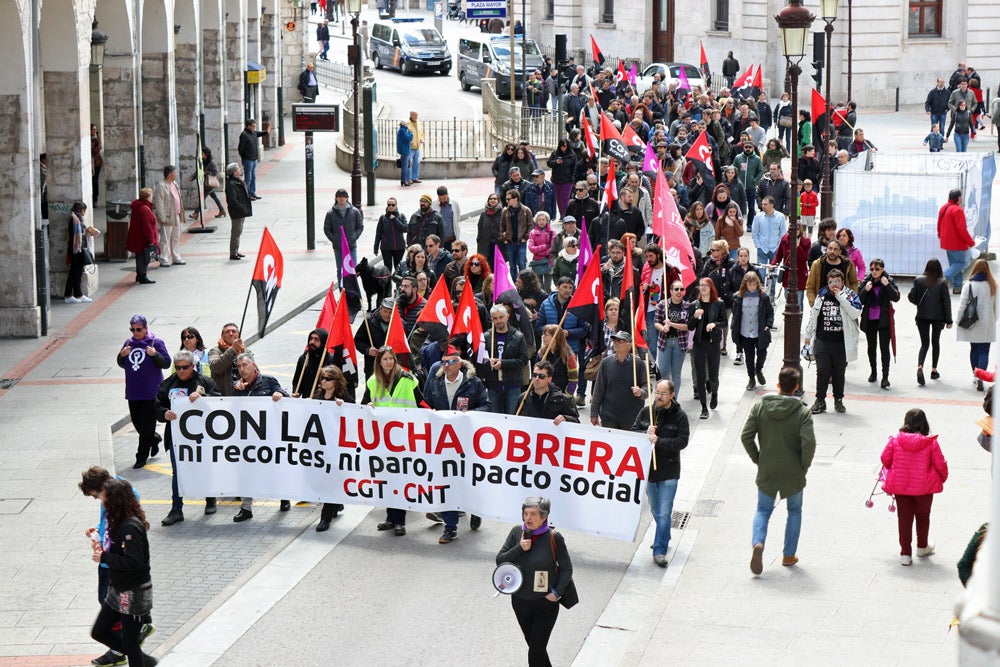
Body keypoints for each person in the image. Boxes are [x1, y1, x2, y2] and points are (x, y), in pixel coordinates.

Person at [741, 366, 816, 575]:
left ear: (778, 385)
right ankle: (788, 555)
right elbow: (809, 443)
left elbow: (746, 436)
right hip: (793, 471)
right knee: (794, 511)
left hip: (767, 468)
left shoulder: (760, 408)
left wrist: (758, 458)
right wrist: (803, 465)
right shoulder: (802, 412)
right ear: (797, 388)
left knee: (763, 510)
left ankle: (758, 542)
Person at [80, 468, 154, 667]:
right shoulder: (116, 523)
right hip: (118, 588)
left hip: (132, 592)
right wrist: (100, 541)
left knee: (130, 641)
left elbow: (135, 562)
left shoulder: (130, 527)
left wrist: (105, 556)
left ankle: (141, 656)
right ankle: (144, 659)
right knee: (100, 632)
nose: (101, 501)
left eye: (104, 498)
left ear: (115, 501)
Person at [496, 496, 574, 667]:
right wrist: (519, 548)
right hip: (520, 602)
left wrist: (556, 593)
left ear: (544, 517)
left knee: (536, 652)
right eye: (525, 513)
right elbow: (500, 561)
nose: (528, 518)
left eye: (533, 514)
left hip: (545, 604)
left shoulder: (554, 537)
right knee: (536, 648)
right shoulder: (517, 533)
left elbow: (567, 568)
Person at [423, 346, 489, 543]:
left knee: (467, 479)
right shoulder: (435, 382)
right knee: (446, 482)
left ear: (459, 363)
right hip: (443, 442)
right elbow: (425, 404)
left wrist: (469, 415)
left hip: (467, 442)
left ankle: (474, 509)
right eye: (444, 362)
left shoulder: (473, 382)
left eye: (451, 362)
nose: (447, 366)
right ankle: (450, 527)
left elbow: (486, 405)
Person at [364, 347, 424, 535]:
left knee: (400, 480)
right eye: (385, 359)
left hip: (404, 438)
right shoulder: (373, 382)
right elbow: (363, 406)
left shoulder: (407, 379)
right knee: (387, 480)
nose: (389, 362)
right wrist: (368, 406)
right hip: (383, 440)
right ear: (379, 362)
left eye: (391, 358)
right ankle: (390, 518)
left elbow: (421, 402)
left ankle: (400, 521)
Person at [156, 350, 221, 526]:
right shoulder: (168, 384)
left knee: (205, 468)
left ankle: (210, 499)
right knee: (178, 473)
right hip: (177, 439)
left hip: (203, 437)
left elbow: (219, 400)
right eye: (178, 368)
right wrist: (163, 414)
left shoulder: (204, 382)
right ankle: (176, 509)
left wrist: (203, 397)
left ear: (193, 366)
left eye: (185, 367)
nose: (181, 371)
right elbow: (157, 406)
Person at [630, 379, 689, 567]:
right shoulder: (646, 412)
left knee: (664, 513)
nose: (659, 397)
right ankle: (665, 535)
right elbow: (633, 432)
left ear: (672, 395)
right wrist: (644, 434)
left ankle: (659, 550)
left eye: (663, 393)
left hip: (669, 471)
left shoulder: (680, 416)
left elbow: (682, 442)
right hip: (650, 472)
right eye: (657, 392)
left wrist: (659, 441)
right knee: (656, 510)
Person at [880, 409, 949, 566]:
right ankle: (922, 546)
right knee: (923, 516)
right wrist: (942, 478)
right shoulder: (930, 442)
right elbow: (941, 464)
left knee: (904, 519)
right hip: (924, 488)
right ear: (924, 424)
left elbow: (885, 459)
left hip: (901, 487)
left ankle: (905, 554)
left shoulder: (895, 440)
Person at [231, 351, 289, 522]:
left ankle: (284, 498)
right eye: (239, 366)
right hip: (248, 437)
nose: (242, 369)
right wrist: (238, 391)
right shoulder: (237, 388)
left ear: (253, 365)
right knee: (248, 472)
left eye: (245, 365)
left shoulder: (269, 381)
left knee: (274, 468)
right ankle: (246, 507)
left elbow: (285, 398)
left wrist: (280, 396)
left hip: (270, 435)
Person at [803, 269, 861, 414]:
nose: (834, 284)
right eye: (831, 281)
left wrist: (840, 296)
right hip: (822, 341)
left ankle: (838, 399)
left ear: (843, 282)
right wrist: (808, 335)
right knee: (822, 371)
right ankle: (820, 400)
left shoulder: (849, 295)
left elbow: (855, 312)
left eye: (837, 281)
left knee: (838, 373)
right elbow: (813, 315)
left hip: (841, 342)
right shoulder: (821, 294)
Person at [116, 315, 170, 469]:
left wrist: (155, 354)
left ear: (146, 328)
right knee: (138, 424)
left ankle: (141, 456)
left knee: (146, 426)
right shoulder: (128, 343)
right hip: (133, 391)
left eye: (138, 329)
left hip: (151, 392)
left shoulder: (156, 343)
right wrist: (122, 355)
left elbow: (166, 363)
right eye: (132, 329)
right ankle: (154, 438)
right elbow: (121, 363)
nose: (135, 332)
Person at [312, 365, 352, 531]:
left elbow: (355, 413)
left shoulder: (342, 398)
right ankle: (336, 503)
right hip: (321, 447)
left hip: (337, 447)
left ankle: (325, 517)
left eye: (327, 378)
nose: (323, 381)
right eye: (322, 378)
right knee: (324, 480)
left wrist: (344, 407)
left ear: (336, 381)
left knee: (330, 480)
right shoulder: (317, 397)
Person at [908, 258, 952, 386]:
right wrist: (949, 320)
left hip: (922, 316)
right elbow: (946, 302)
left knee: (924, 344)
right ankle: (934, 370)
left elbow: (912, 298)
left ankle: (920, 366)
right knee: (935, 342)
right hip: (938, 317)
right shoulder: (942, 282)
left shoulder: (918, 280)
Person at [591, 331, 648, 429]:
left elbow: (647, 387)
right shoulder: (606, 363)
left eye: (620, 341)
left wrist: (640, 392)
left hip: (632, 416)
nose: (616, 343)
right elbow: (598, 390)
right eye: (614, 340)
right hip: (609, 415)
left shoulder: (638, 364)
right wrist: (594, 412)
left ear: (629, 344)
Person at [479, 304, 529, 415]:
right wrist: (488, 362)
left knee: (512, 416)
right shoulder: (486, 336)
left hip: (512, 384)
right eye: (495, 318)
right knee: (494, 417)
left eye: (501, 317)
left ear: (507, 317)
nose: (499, 321)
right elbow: (480, 359)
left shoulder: (518, 336)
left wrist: (503, 364)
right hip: (492, 384)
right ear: (491, 319)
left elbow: (524, 360)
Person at [957, 259, 998, 391]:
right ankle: (981, 377)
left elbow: (962, 305)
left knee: (974, 349)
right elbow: (997, 309)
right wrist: (994, 319)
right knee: (984, 351)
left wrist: (958, 320)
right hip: (988, 323)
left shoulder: (968, 285)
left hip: (972, 322)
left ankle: (975, 376)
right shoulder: (993, 285)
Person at [859, 259, 900, 389]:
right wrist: (866, 290)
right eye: (872, 269)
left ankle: (885, 377)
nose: (874, 272)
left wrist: (887, 285)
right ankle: (874, 372)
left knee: (884, 348)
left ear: (882, 269)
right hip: (870, 319)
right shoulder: (867, 281)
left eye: (877, 269)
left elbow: (896, 297)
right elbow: (859, 300)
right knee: (871, 348)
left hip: (883, 320)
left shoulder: (888, 279)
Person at [731, 272, 774, 391]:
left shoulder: (763, 297)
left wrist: (768, 325)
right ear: (745, 284)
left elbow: (770, 312)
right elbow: (736, 315)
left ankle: (758, 369)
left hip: (759, 332)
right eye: (749, 284)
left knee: (762, 354)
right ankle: (751, 379)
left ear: (757, 284)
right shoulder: (738, 298)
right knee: (749, 358)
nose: (751, 287)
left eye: (754, 284)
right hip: (745, 333)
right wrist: (734, 329)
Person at [654, 279, 690, 395]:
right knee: (664, 372)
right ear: (671, 291)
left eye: (681, 289)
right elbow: (656, 322)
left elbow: (687, 326)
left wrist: (671, 324)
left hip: (680, 343)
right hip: (665, 342)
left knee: (676, 374)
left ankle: (674, 401)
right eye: (676, 289)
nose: (679, 292)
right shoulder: (662, 304)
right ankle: (664, 398)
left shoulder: (687, 306)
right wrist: (663, 328)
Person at [516, 360, 580, 424]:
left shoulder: (561, 399)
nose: (537, 379)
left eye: (541, 376)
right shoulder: (523, 398)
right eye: (534, 375)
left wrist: (565, 418)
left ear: (549, 379)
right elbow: (515, 420)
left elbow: (576, 421)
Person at [937, 188, 976, 294]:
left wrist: (941, 236)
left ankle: (957, 287)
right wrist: (970, 242)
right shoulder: (957, 210)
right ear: (959, 198)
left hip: (946, 242)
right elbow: (962, 229)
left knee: (955, 263)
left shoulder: (944, 208)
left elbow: (939, 225)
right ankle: (943, 277)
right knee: (962, 263)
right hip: (956, 243)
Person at [324, 188, 364, 286]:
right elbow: (327, 229)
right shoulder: (330, 213)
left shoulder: (354, 211)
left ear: (347, 198)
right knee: (340, 270)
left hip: (351, 246)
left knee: (352, 269)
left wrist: (354, 236)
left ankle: (353, 292)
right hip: (338, 247)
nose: (342, 199)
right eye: (339, 197)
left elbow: (360, 226)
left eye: (344, 197)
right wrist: (335, 239)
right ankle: (342, 291)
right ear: (336, 198)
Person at [805, 239, 858, 307]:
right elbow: (810, 286)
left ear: (840, 252)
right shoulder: (817, 264)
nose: (832, 251)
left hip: (843, 304)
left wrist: (852, 301)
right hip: (822, 305)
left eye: (835, 249)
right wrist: (813, 304)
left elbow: (854, 283)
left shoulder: (848, 264)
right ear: (826, 250)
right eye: (830, 248)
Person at [153, 165, 185, 267]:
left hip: (176, 214)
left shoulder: (174, 183)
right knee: (165, 238)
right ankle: (164, 258)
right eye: (175, 172)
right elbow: (159, 203)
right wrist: (162, 217)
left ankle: (176, 257)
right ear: (170, 174)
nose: (176, 174)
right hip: (167, 216)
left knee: (176, 237)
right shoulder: (161, 186)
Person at [752, 196, 786, 290]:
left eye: (765, 204)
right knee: (760, 274)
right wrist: (758, 246)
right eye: (762, 204)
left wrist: (779, 248)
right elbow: (755, 232)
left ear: (772, 205)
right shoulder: (758, 217)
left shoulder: (780, 217)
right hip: (762, 249)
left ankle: (771, 295)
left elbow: (783, 234)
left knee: (773, 275)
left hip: (775, 250)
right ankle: (761, 294)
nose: (763, 206)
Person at [291, 328, 335, 398]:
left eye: (316, 340)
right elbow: (296, 381)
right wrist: (296, 392)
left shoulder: (331, 360)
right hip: (307, 402)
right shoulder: (304, 359)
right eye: (311, 339)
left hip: (324, 402)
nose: (312, 342)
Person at [126, 190, 158, 285]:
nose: (152, 197)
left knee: (140, 257)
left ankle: (140, 275)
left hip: (138, 236)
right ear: (147, 196)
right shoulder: (144, 209)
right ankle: (142, 275)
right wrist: (151, 240)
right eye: (151, 195)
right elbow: (147, 226)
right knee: (144, 258)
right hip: (143, 238)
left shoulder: (139, 207)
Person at [224, 163, 252, 260]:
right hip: (237, 212)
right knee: (236, 232)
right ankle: (233, 253)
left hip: (240, 210)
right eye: (238, 169)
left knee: (238, 231)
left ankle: (236, 250)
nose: (240, 170)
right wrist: (241, 207)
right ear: (234, 172)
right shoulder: (231, 184)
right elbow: (232, 200)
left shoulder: (237, 181)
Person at [208, 322, 244, 397]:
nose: (231, 334)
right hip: (222, 397)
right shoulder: (214, 351)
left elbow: (254, 372)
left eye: (234, 331)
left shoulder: (246, 351)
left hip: (241, 395)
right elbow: (216, 367)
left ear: (238, 335)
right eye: (227, 332)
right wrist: (232, 350)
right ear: (222, 336)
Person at [374, 197, 408, 272]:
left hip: (399, 248)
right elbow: (378, 233)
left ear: (396, 205)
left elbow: (405, 228)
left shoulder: (401, 216)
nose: (391, 207)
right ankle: (387, 283)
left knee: (398, 270)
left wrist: (395, 220)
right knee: (387, 270)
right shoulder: (383, 218)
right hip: (386, 248)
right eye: (389, 205)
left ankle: (398, 284)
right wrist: (375, 247)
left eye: (393, 205)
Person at [547, 139, 577, 217]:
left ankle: (564, 216)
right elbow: (549, 163)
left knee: (565, 199)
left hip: (567, 181)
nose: (563, 148)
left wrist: (573, 179)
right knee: (558, 200)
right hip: (556, 180)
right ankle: (562, 214)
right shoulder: (555, 154)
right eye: (561, 146)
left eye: (564, 146)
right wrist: (556, 162)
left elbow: (574, 168)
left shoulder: (572, 155)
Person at [238, 119, 265, 199]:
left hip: (253, 159)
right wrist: (244, 157)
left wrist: (266, 132)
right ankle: (247, 194)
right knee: (248, 178)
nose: (254, 128)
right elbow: (240, 148)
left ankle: (252, 192)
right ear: (248, 126)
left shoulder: (253, 133)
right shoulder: (244, 135)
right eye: (253, 126)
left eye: (255, 126)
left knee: (253, 177)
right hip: (248, 159)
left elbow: (260, 133)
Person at [477, 193, 503, 260]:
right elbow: (480, 227)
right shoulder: (484, 213)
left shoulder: (502, 212)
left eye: (495, 199)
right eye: (490, 199)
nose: (492, 200)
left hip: (499, 243)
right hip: (486, 243)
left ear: (498, 200)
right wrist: (479, 239)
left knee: (498, 264)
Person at [406, 110, 424, 184]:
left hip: (417, 147)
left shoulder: (419, 123)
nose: (416, 117)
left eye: (417, 115)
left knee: (417, 163)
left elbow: (421, 133)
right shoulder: (407, 124)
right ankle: (408, 179)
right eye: (415, 115)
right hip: (410, 147)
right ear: (411, 115)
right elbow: (405, 135)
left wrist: (422, 139)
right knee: (409, 163)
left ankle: (415, 178)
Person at [396, 121, 413, 186]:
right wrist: (410, 132)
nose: (408, 125)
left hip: (404, 150)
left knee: (406, 165)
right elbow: (408, 138)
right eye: (407, 124)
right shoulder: (402, 131)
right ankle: (404, 181)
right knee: (405, 166)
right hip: (404, 151)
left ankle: (404, 180)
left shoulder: (403, 130)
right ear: (404, 125)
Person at [91, 124, 103, 201]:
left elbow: (98, 148)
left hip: (96, 162)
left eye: (95, 129)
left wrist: (92, 153)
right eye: (93, 129)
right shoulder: (87, 138)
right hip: (89, 162)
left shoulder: (97, 138)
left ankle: (95, 199)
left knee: (95, 181)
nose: (94, 131)